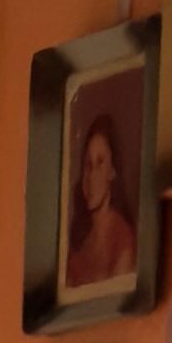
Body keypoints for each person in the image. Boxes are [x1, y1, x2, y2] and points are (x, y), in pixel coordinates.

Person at [63, 108, 137, 292]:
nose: (91, 176)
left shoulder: (123, 239)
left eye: (100, 162)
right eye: (88, 164)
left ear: (112, 171)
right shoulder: (77, 236)